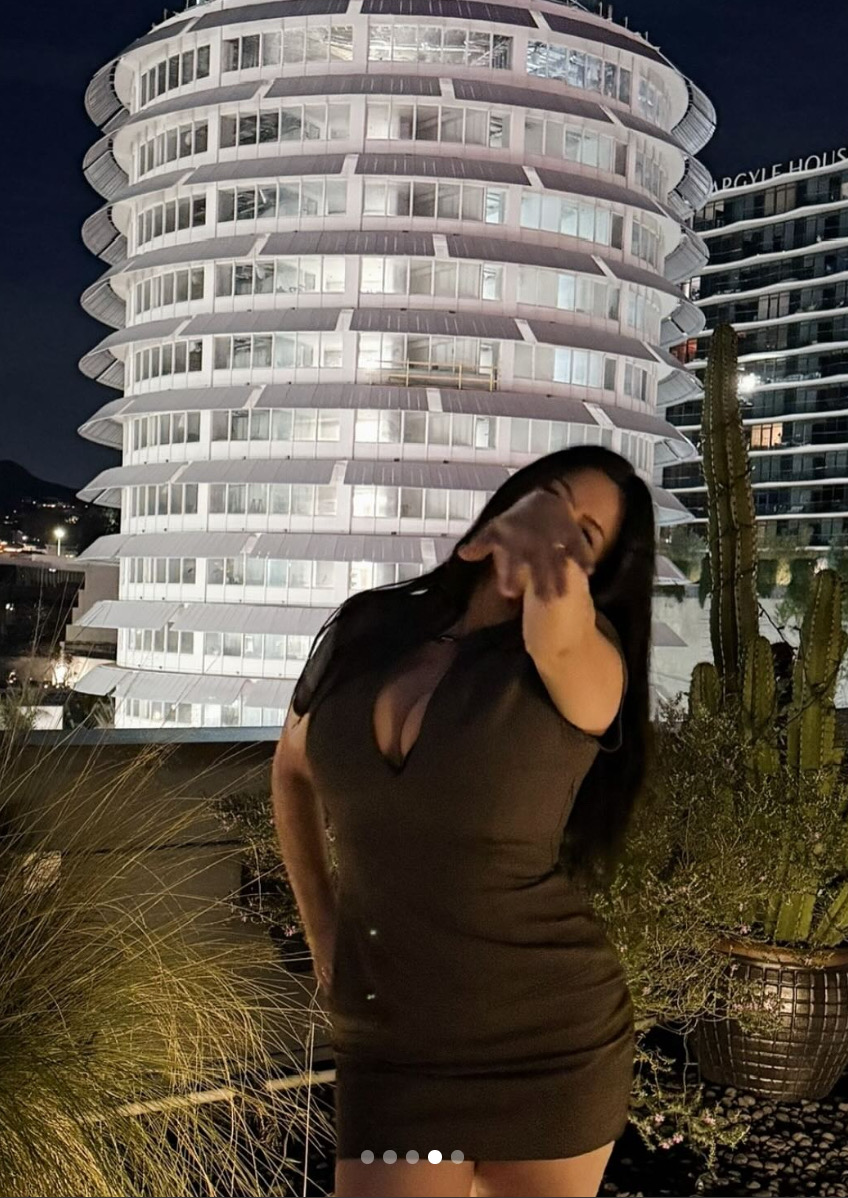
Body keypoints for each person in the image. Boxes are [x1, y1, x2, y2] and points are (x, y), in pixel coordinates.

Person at [272, 445, 656, 1198]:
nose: (555, 531)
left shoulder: (587, 664)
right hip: (392, 1047)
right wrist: (324, 931)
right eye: (550, 497)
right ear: (513, 497)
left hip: (549, 1045)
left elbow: (557, 634)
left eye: (582, 537)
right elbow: (291, 766)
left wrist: (548, 542)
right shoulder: (369, 626)